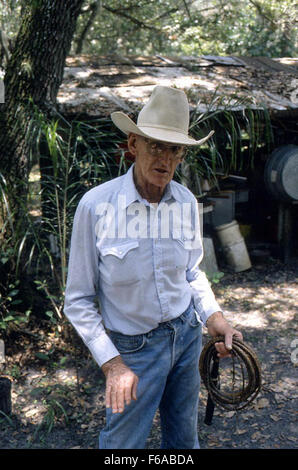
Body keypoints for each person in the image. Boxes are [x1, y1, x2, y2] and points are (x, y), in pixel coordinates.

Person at [64, 85, 243, 449]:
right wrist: (112, 364)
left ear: (182, 156)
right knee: (122, 446)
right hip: (132, 349)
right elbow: (78, 300)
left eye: (174, 149)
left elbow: (192, 273)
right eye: (155, 145)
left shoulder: (186, 202)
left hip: (186, 337)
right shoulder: (96, 206)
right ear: (133, 145)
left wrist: (214, 317)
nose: (165, 158)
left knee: (183, 441)